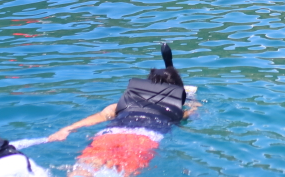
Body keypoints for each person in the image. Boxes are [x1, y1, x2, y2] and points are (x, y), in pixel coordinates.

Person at [47, 43, 197, 177]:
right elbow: (193, 114)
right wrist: (192, 100)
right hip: (143, 140)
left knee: (83, 170)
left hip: (110, 135)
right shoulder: (179, 112)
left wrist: (67, 129)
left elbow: (102, 115)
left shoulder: (121, 105)